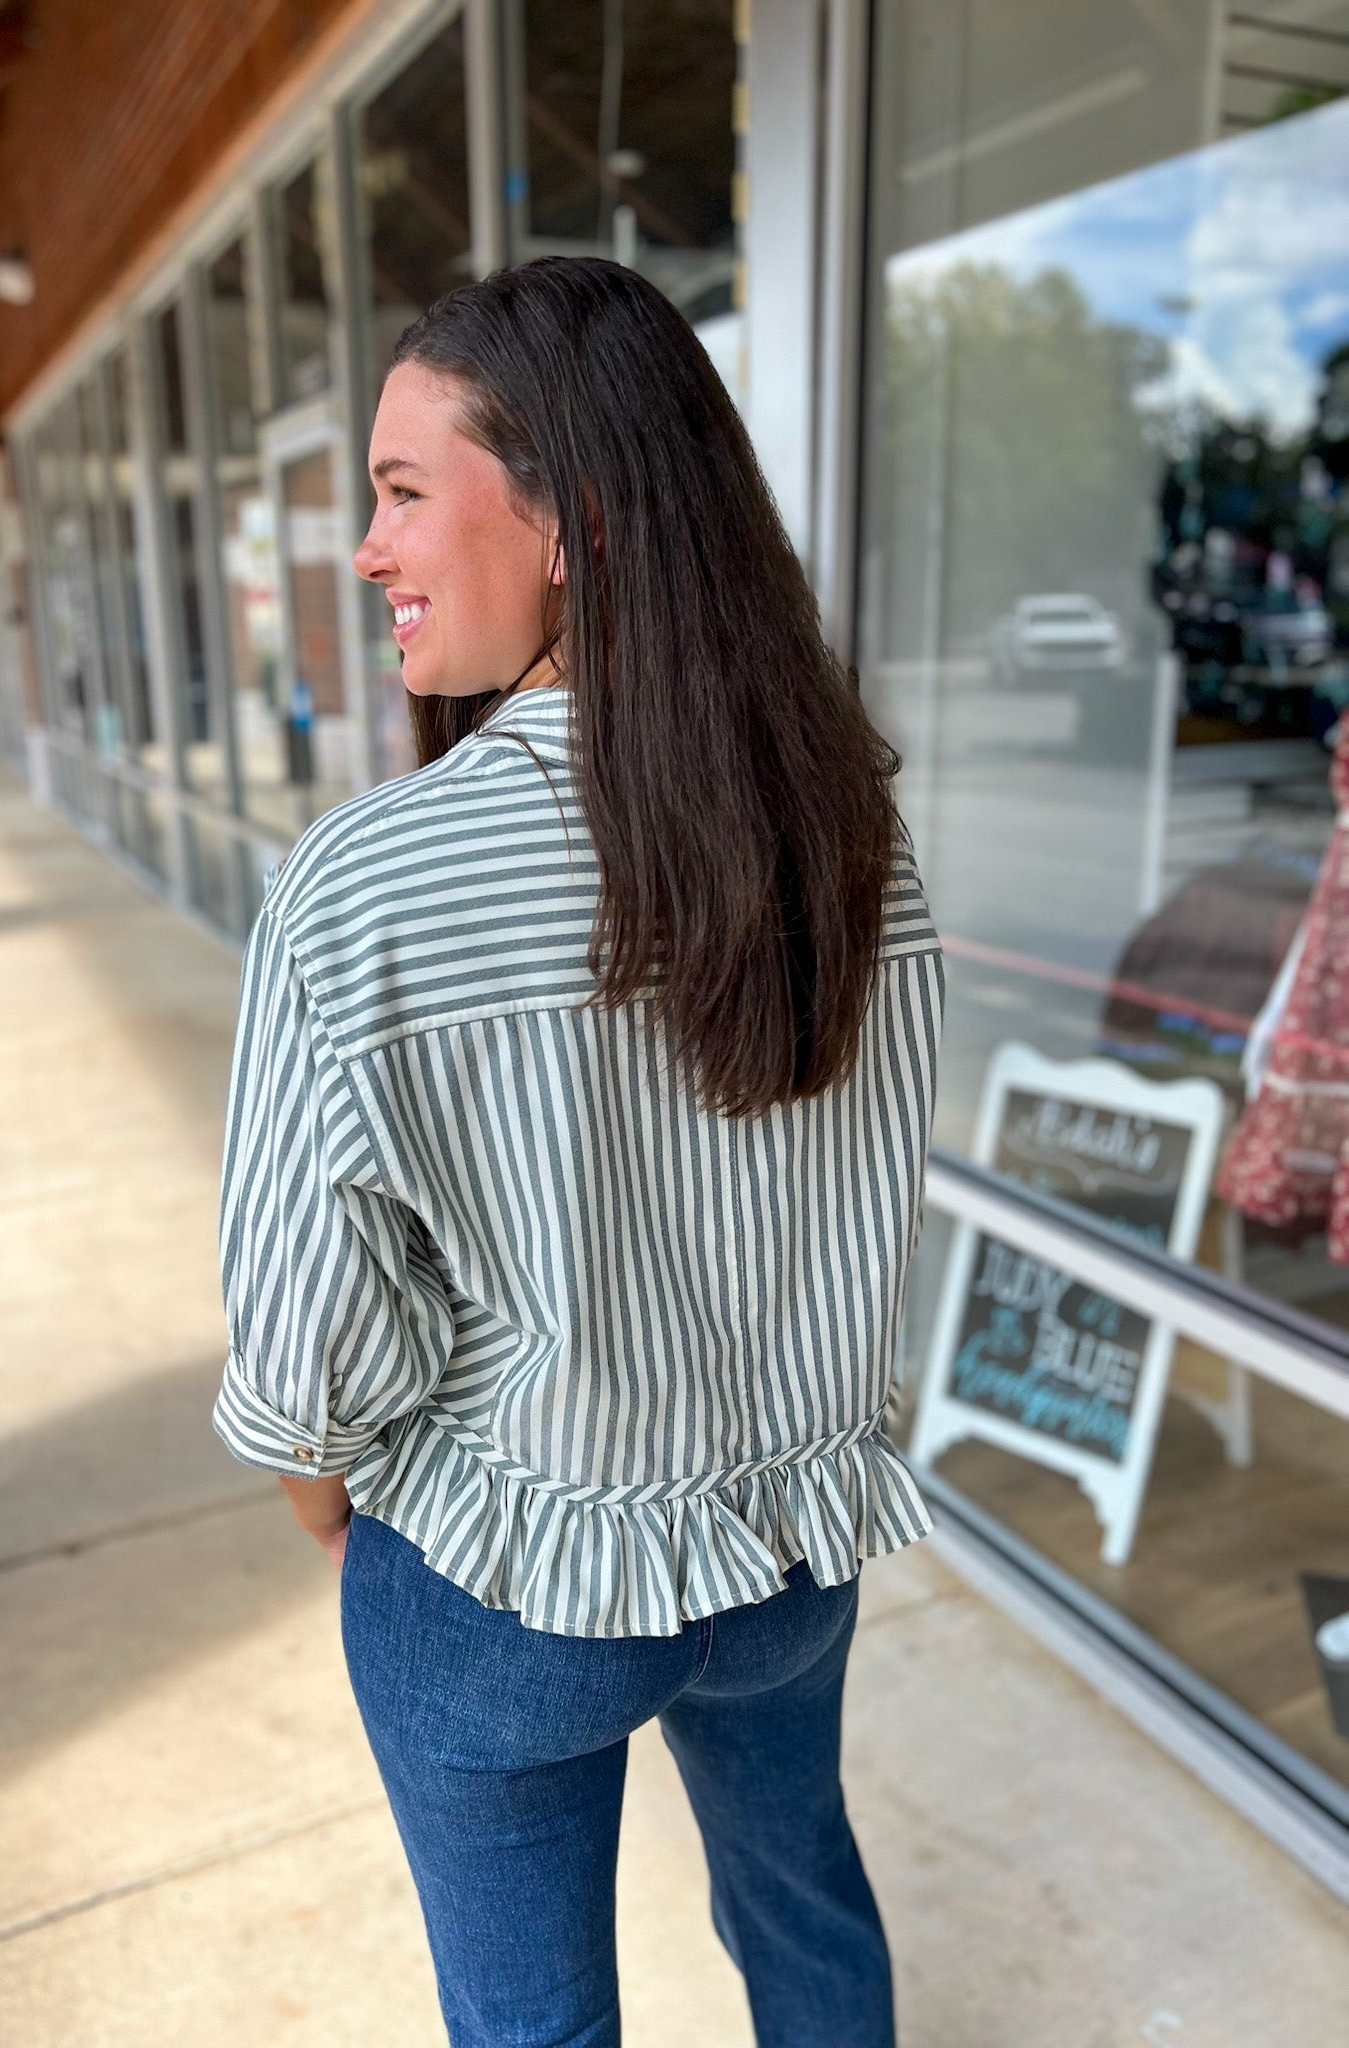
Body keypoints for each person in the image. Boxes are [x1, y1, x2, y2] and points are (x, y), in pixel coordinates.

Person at [213, 256, 944, 2048]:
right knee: (808, 1914)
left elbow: (311, 1349)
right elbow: (865, 1193)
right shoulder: (853, 834)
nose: (368, 550)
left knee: (534, 2028)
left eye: (400, 491)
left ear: (573, 515)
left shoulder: (365, 885)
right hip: (787, 1553)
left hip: (512, 1589)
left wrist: (319, 1479)